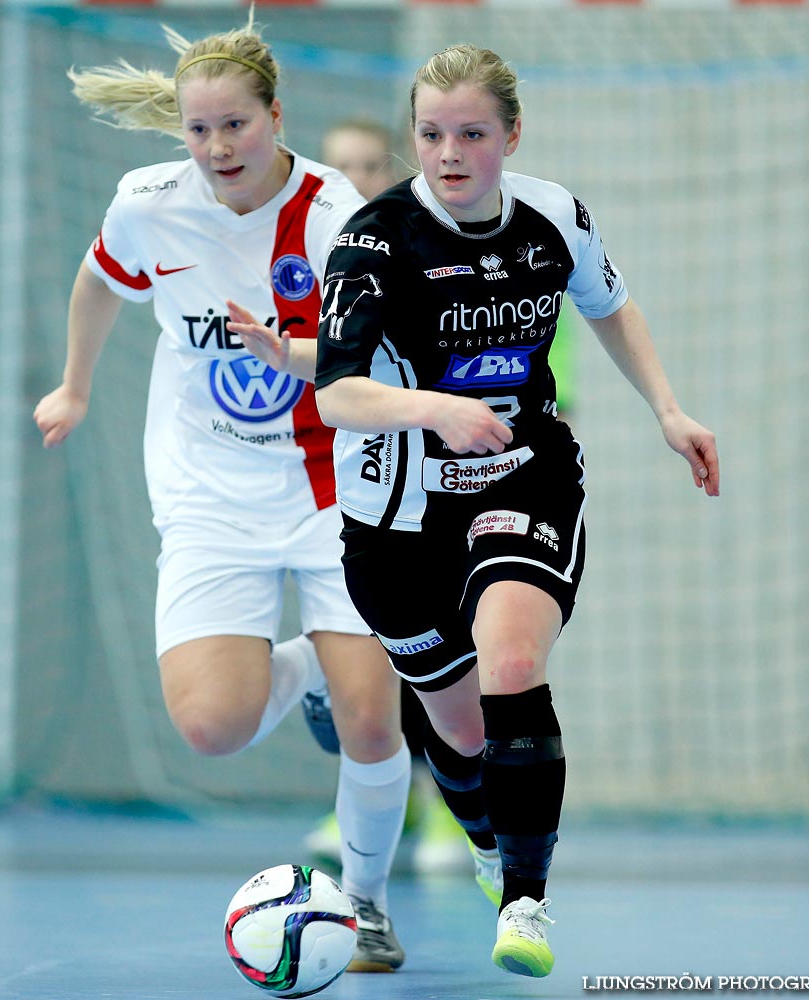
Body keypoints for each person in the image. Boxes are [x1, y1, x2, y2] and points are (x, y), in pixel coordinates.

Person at [313, 44, 720, 978]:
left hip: (519, 475)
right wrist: (435, 409)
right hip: (394, 510)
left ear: (511, 136)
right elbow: (338, 392)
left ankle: (527, 902)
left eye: (471, 134)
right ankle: (492, 846)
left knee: (511, 663)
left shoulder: (556, 217)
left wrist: (667, 408)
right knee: (456, 731)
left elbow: (612, 306)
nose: (448, 154)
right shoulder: (374, 241)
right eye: (430, 134)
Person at [31, 14, 410, 974]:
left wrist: (289, 353)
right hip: (208, 494)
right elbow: (96, 284)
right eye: (199, 131)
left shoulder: (336, 218)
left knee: (372, 720)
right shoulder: (148, 203)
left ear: (276, 117)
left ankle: (363, 906)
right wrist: (74, 384)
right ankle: (313, 666)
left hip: (335, 486)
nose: (217, 149)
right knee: (212, 726)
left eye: (235, 126)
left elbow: (375, 352)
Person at [308, 119, 468, 877]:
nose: (359, 181)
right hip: (364, 483)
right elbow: (332, 369)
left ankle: (446, 805)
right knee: (368, 651)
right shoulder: (322, 265)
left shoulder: (436, 250)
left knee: (450, 658)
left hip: (456, 482)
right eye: (343, 168)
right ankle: (376, 795)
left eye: (372, 166)